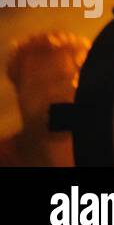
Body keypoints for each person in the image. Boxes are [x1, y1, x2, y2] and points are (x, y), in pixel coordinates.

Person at [0, 31, 90, 166]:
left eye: (60, 79)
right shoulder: (5, 158)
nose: (51, 92)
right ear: (19, 94)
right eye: (37, 84)